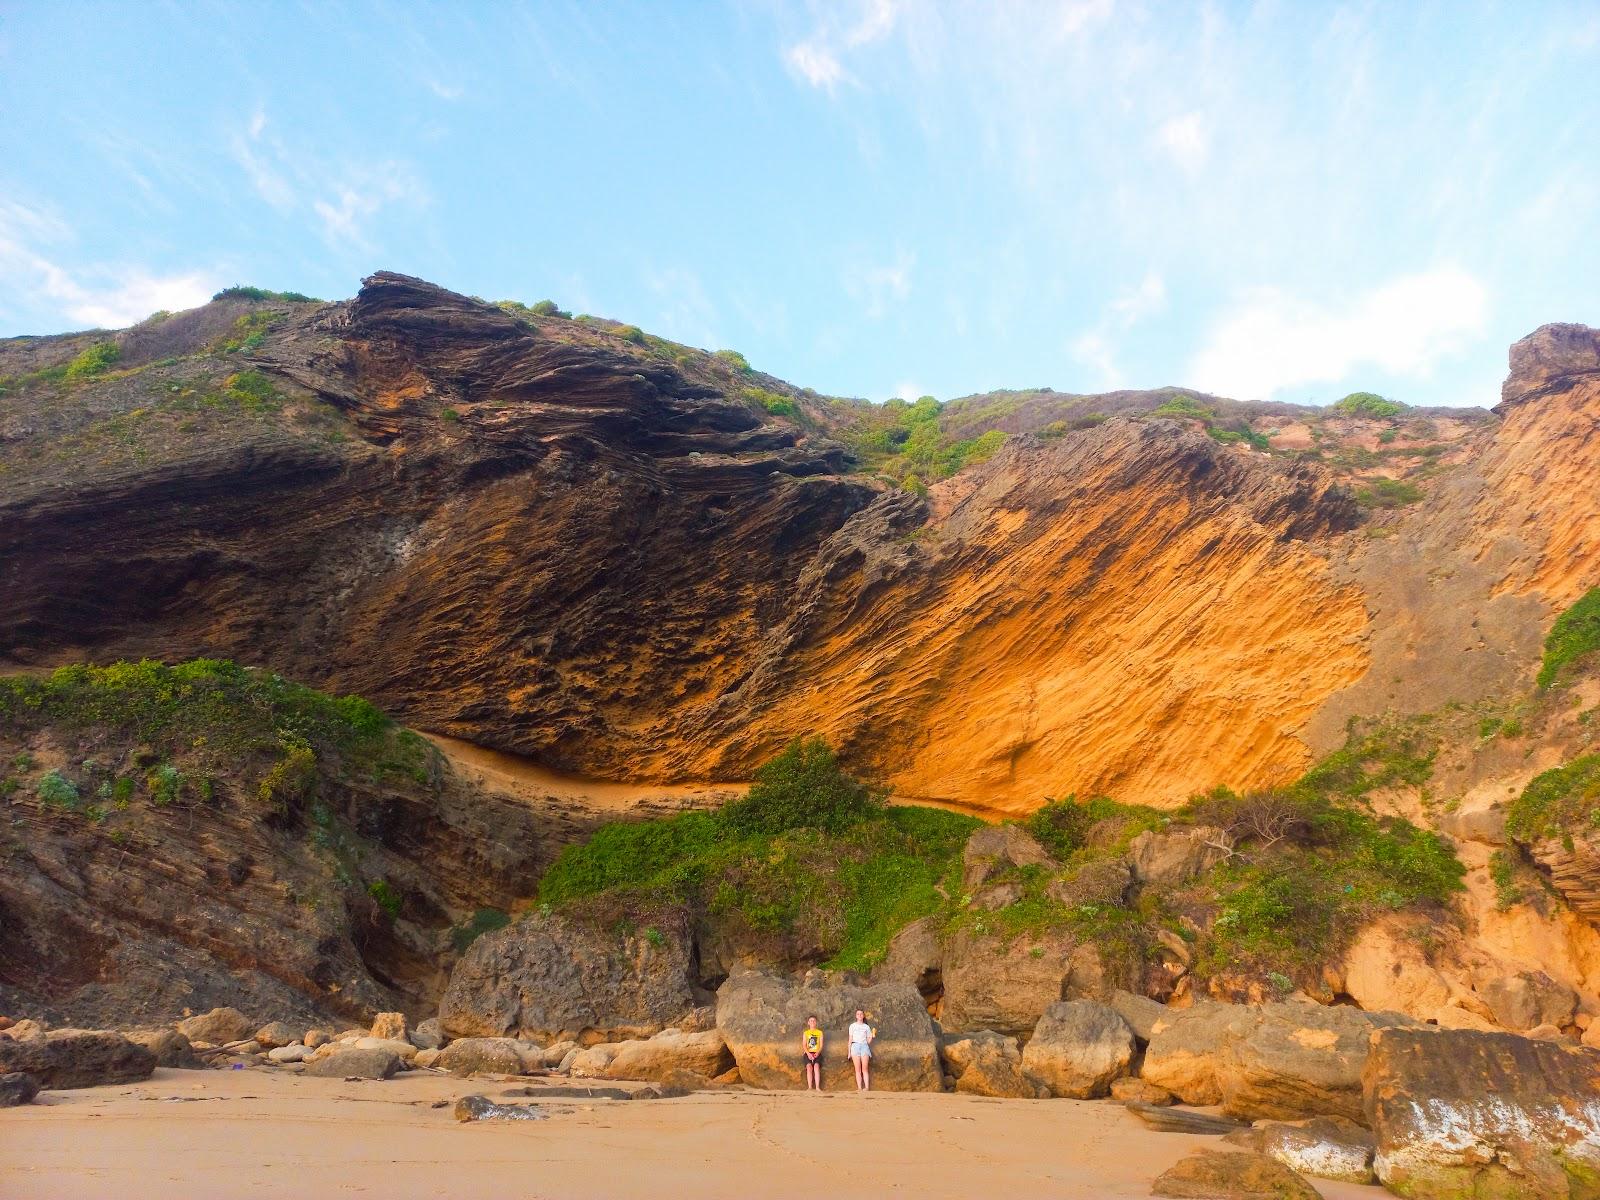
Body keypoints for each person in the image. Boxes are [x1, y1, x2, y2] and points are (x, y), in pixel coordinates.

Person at [847, 1008, 875, 1091]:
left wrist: (871, 1037)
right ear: (856, 1016)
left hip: (864, 1046)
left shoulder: (866, 1027)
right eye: (858, 1014)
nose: (859, 1015)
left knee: (865, 1069)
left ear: (863, 1016)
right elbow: (850, 1039)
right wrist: (849, 1052)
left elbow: (869, 1040)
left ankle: (866, 1087)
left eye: (861, 1014)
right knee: (857, 1069)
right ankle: (859, 1087)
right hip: (854, 1046)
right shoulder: (852, 1026)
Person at [801, 1015, 824, 1091]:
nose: (812, 1022)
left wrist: (817, 1052)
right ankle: (810, 1087)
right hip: (808, 1053)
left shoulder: (820, 1032)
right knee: (809, 1067)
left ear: (816, 1022)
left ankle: (817, 1087)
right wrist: (808, 1054)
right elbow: (804, 1045)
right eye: (811, 1021)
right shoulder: (806, 1033)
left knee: (816, 1067)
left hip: (817, 1053)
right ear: (808, 1023)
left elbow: (821, 1045)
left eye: (814, 1021)